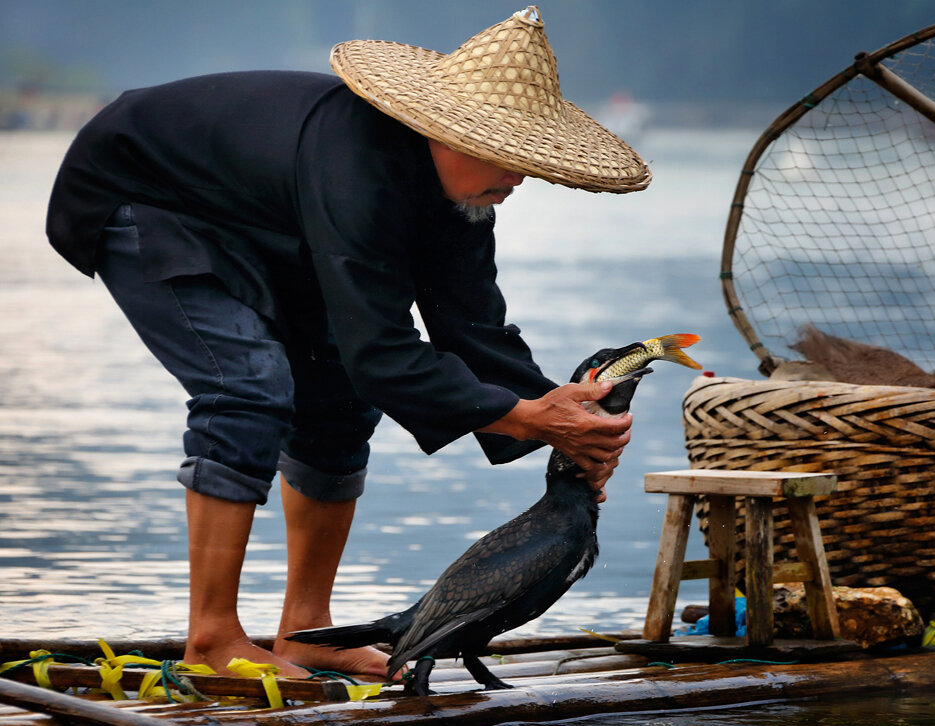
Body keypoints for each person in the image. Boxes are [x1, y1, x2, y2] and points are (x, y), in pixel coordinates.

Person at [44, 7, 652, 678]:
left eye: (529, 162)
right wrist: (527, 417)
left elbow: (473, 329)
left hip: (266, 219)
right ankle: (212, 639)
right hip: (137, 190)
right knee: (245, 387)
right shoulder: (357, 168)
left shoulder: (466, 198)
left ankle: (305, 634)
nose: (522, 177)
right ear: (444, 133)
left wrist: (559, 421)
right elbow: (385, 353)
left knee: (335, 396)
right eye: (510, 157)